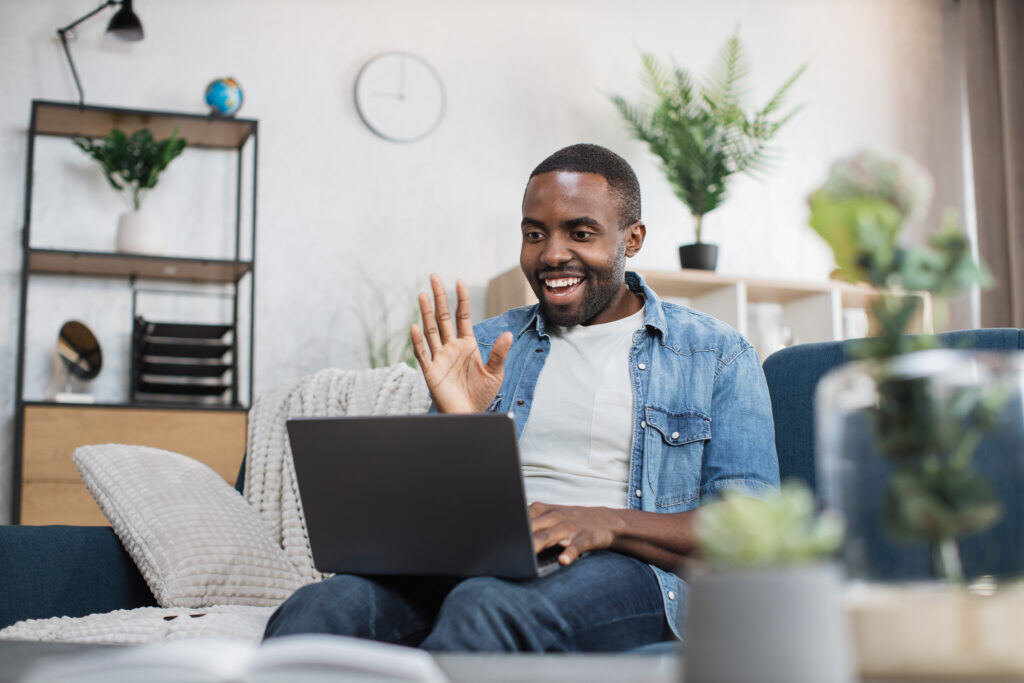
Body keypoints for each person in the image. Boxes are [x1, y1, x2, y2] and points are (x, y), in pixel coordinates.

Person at [264, 143, 780, 651]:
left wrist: (604, 522)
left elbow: (750, 529)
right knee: (316, 610)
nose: (552, 254)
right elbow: (436, 518)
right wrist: (458, 421)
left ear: (633, 238)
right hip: (477, 565)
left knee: (486, 608)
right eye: (535, 234)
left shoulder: (716, 354)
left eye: (580, 232)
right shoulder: (488, 345)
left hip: (631, 573)